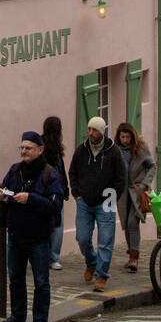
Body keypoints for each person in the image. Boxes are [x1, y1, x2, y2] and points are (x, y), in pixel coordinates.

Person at [0, 130, 64, 322]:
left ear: (40, 149)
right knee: (15, 276)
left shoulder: (49, 174)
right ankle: (18, 316)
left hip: (39, 238)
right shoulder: (15, 170)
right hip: (16, 233)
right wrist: (1, 195)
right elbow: (4, 189)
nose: (24, 151)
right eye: (22, 148)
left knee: (41, 281)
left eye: (28, 148)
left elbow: (55, 205)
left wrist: (31, 199)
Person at [69, 116, 127, 291]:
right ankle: (91, 262)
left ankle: (101, 275)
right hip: (84, 201)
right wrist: (76, 193)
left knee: (105, 240)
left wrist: (113, 195)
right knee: (82, 237)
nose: (91, 133)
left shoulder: (114, 151)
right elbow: (73, 172)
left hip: (106, 202)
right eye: (89, 129)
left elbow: (121, 177)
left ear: (102, 132)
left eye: (94, 130)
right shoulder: (81, 150)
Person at [114, 121, 156, 272]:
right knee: (126, 223)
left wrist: (145, 184)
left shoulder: (141, 147)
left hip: (137, 191)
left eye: (127, 137)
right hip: (123, 192)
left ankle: (134, 258)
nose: (125, 140)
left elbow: (152, 166)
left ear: (132, 136)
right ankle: (131, 254)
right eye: (122, 137)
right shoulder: (116, 150)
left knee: (133, 222)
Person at [42, 115, 69, 270]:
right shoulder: (46, 146)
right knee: (55, 224)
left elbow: (61, 169)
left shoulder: (55, 147)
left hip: (55, 189)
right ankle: (52, 257)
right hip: (50, 190)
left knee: (55, 223)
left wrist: (65, 187)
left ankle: (50, 257)